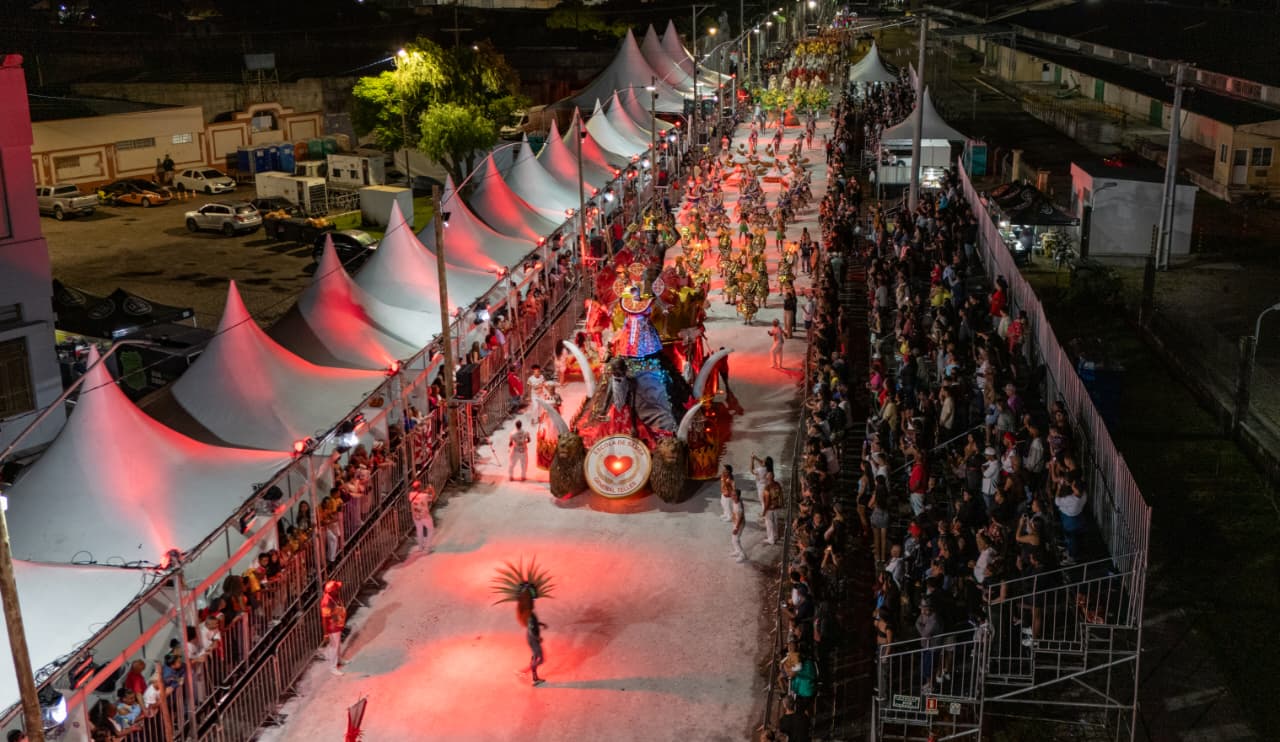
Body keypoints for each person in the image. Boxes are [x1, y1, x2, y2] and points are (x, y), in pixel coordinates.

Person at [320, 580, 347, 676]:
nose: (338, 590)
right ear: (332, 591)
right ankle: (332, 667)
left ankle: (339, 660)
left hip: (337, 624)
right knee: (334, 647)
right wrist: (326, 633)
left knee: (338, 644)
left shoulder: (334, 596)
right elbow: (324, 619)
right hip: (332, 628)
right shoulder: (326, 602)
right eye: (336, 589)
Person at [408, 480, 436, 553]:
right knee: (431, 530)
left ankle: (420, 547)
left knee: (419, 530)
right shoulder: (424, 496)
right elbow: (432, 497)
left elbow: (419, 494)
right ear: (420, 487)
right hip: (424, 516)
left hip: (415, 516)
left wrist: (425, 491)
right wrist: (432, 489)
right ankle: (427, 548)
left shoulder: (411, 495)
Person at [525, 610, 548, 686]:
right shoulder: (530, 615)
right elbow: (531, 629)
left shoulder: (530, 613)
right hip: (533, 640)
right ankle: (529, 673)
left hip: (532, 639)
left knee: (535, 657)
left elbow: (533, 624)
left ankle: (535, 678)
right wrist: (537, 638)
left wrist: (542, 624)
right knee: (540, 659)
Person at [762, 471, 783, 546]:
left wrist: (764, 511)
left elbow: (767, 501)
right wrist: (781, 504)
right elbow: (781, 495)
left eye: (767, 476)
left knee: (769, 524)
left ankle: (771, 539)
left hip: (770, 508)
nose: (766, 477)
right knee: (775, 522)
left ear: (768, 477)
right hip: (776, 506)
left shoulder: (767, 487)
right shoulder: (777, 484)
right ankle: (775, 536)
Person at [730, 487, 747, 563]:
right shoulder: (735, 501)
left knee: (735, 540)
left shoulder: (739, 506)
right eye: (732, 495)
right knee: (733, 539)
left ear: (738, 496)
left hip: (739, 524)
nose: (733, 497)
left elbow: (740, 518)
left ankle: (742, 555)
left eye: (735, 495)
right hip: (736, 522)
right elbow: (734, 513)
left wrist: (736, 528)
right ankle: (737, 551)